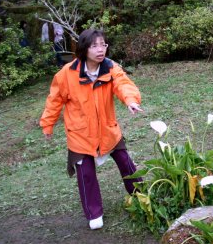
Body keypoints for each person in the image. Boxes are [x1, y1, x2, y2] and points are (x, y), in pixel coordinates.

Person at [40, 28, 144, 230]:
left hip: (107, 129)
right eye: (94, 45)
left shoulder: (110, 67)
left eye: (103, 44)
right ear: (84, 48)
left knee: (125, 162)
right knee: (85, 173)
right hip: (80, 133)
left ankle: (141, 195)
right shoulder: (66, 74)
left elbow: (123, 84)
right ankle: (94, 213)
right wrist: (47, 124)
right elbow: (54, 100)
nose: (100, 49)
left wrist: (130, 100)